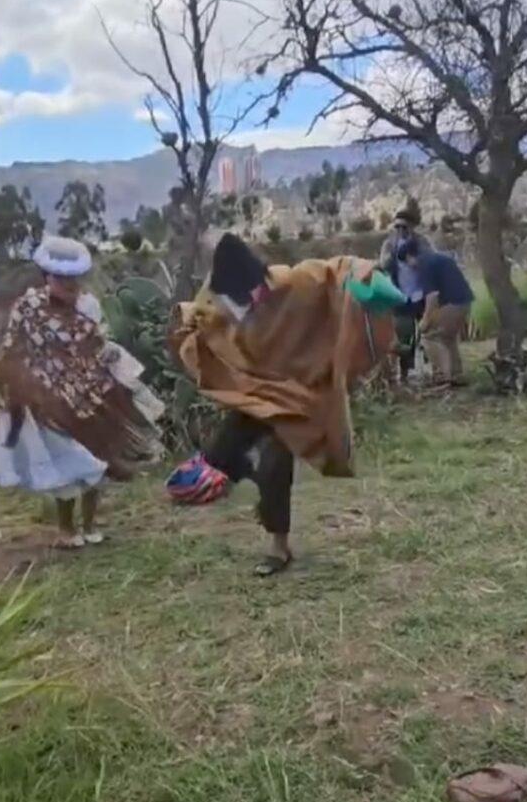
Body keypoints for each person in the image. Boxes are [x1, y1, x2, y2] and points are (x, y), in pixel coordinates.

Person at [170, 233, 397, 576]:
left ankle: (279, 548)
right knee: (221, 454)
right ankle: (248, 473)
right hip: (257, 392)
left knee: (275, 464)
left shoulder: (294, 282)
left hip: (298, 395)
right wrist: (190, 324)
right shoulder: (220, 295)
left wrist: (369, 276)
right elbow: (203, 318)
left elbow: (338, 271)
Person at [0, 236, 160, 549]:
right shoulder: (28, 307)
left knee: (98, 454)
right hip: (49, 394)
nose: (68, 284)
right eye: (60, 278)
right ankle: (66, 529)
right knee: (69, 459)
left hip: (92, 389)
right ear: (47, 277)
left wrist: (107, 356)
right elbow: (12, 346)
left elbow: (98, 340)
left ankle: (91, 523)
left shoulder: (88, 304)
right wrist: (5, 382)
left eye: (72, 278)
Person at [398, 241, 474, 387]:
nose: (410, 267)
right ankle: (456, 374)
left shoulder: (424, 265)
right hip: (464, 301)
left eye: (408, 263)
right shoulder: (437, 257)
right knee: (448, 338)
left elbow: (432, 296)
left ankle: (443, 376)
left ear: (409, 257)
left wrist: (425, 321)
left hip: (453, 303)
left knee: (430, 336)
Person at [379, 208, 433, 383]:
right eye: (397, 227)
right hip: (400, 296)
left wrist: (414, 260)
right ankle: (405, 373)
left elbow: (431, 262)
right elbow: (383, 264)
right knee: (404, 337)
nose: (400, 230)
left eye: (404, 227)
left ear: (411, 226)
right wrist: (394, 255)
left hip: (422, 295)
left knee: (429, 334)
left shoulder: (422, 242)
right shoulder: (389, 244)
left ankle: (433, 370)